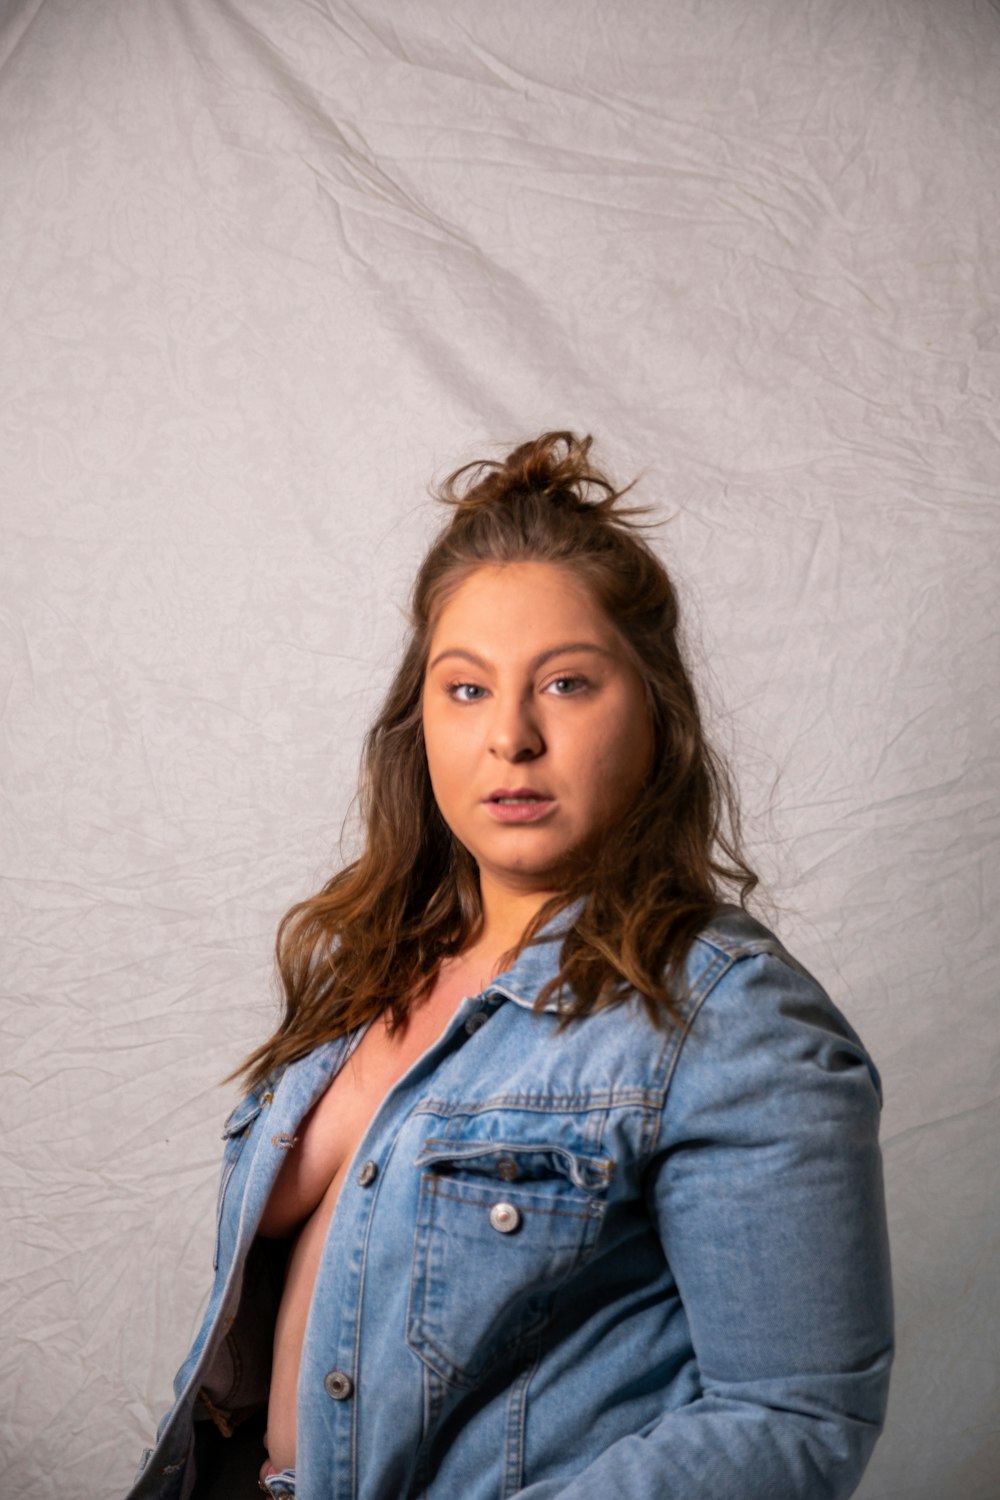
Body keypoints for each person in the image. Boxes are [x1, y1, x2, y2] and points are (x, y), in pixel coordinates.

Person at [127, 432, 893, 1500]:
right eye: (467, 689)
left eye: (568, 684)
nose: (512, 738)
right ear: (420, 722)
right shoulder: (369, 973)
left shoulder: (724, 1017)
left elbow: (793, 1422)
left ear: (656, 715)